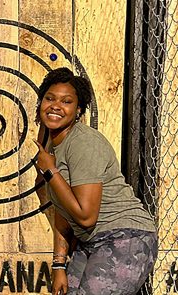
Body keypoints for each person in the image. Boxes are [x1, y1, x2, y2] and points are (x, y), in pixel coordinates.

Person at [33, 67, 157, 294]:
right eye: (49, 98)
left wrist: (50, 172)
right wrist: (59, 264)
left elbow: (86, 216)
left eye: (66, 101)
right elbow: (63, 208)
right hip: (92, 242)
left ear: (78, 110)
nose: (55, 106)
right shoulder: (53, 145)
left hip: (125, 238)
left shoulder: (83, 143)